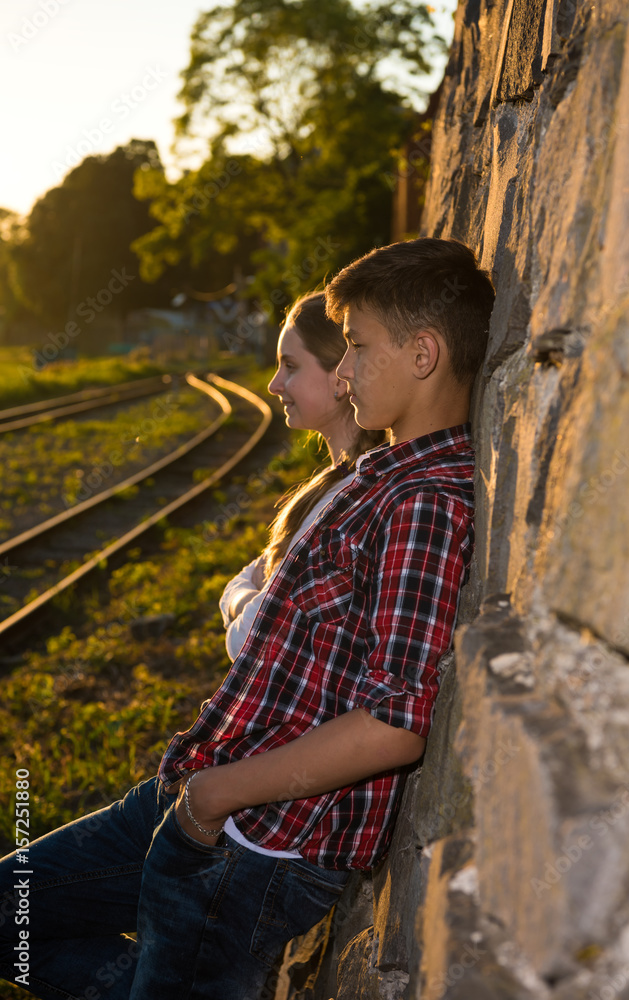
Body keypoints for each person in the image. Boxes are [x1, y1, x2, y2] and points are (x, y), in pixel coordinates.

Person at [0, 237, 495, 1000]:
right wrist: (200, 794)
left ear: (423, 353)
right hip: (209, 801)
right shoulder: (384, 475)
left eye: (357, 348)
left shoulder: (423, 503)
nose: (344, 370)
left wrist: (216, 799)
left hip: (253, 838)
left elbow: (396, 721)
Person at [220, 290, 385, 662]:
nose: (273, 384)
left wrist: (240, 600)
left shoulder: (341, 500)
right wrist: (246, 596)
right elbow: (248, 581)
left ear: (339, 378)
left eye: (290, 366)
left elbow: (248, 638)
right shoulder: (329, 481)